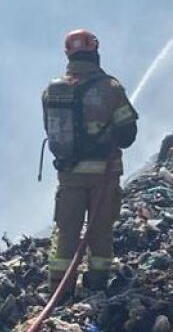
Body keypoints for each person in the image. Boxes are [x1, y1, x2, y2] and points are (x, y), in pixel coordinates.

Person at [42, 29, 138, 291]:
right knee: (100, 232)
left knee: (66, 232)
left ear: (68, 55)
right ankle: (95, 286)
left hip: (69, 175)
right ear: (95, 52)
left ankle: (59, 289)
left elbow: (49, 131)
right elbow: (128, 135)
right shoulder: (111, 88)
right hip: (104, 176)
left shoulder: (52, 91)